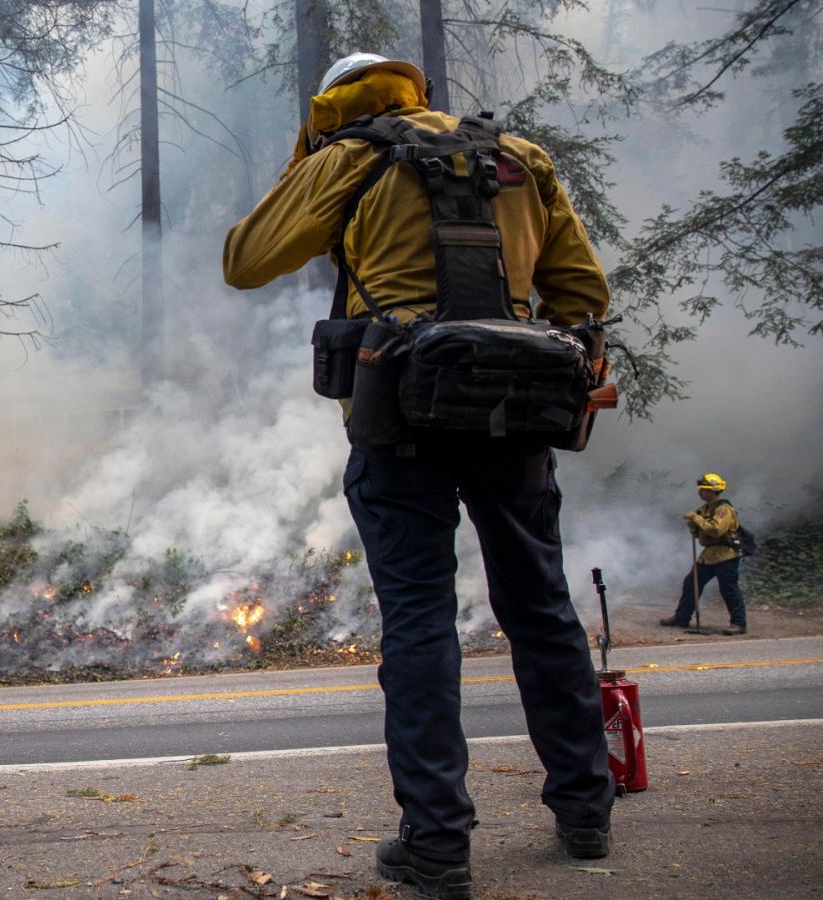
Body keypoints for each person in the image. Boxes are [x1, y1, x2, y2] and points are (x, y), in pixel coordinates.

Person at [222, 53, 615, 899]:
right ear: (417, 94)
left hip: (398, 417)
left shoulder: (349, 156)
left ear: (337, 103)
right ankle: (586, 812)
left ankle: (437, 845)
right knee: (540, 604)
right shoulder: (520, 158)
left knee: (419, 623)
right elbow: (581, 291)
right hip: (515, 417)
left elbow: (246, 260)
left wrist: (310, 152)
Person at [661, 473, 748, 635]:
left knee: (729, 588)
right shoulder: (704, 509)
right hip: (709, 555)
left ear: (713, 491)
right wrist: (693, 526)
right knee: (691, 583)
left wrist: (696, 519)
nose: (700, 492)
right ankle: (682, 617)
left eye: (704, 489)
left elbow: (716, 530)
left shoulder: (724, 509)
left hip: (725, 555)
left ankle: (739, 623)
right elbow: (700, 534)